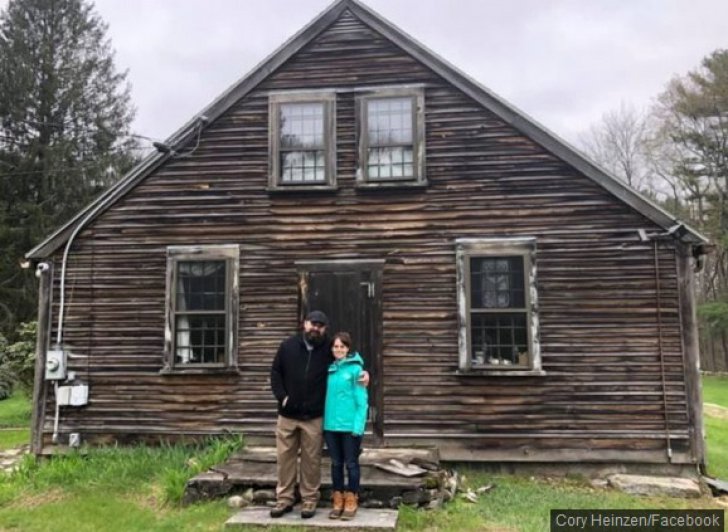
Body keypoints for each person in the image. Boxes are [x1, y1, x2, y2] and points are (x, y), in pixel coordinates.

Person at [269, 310, 368, 519]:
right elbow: (275, 372)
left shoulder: (328, 350)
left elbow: (347, 359)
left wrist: (364, 373)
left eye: (320, 326)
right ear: (304, 324)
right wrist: (282, 397)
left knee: (311, 460)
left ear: (325, 329)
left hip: (313, 417)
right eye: (312, 323)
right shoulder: (287, 346)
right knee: (285, 458)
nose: (316, 328)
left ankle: (309, 500)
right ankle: (284, 499)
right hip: (287, 415)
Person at [324, 332, 368, 520]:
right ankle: (338, 498)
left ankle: (351, 498)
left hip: (350, 427)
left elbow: (362, 401)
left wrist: (358, 427)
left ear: (348, 348)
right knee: (336, 464)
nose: (338, 349)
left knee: (351, 464)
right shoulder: (329, 369)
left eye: (342, 346)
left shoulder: (356, 370)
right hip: (330, 426)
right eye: (335, 346)